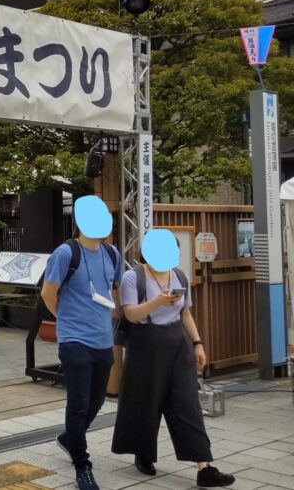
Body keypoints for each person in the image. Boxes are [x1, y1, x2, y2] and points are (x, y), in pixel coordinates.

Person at [111, 240, 234, 487]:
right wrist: (158, 301)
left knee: (187, 403)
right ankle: (143, 453)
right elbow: (131, 314)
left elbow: (185, 313)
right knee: (145, 402)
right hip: (145, 344)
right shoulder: (133, 277)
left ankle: (204, 466)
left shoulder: (179, 276)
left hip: (177, 343)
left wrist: (198, 343)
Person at [40, 198, 122, 490]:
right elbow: (48, 294)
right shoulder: (65, 253)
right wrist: (66, 320)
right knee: (78, 404)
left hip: (103, 339)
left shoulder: (112, 253)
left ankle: (69, 438)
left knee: (97, 401)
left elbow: (115, 291)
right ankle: (82, 467)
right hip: (74, 340)